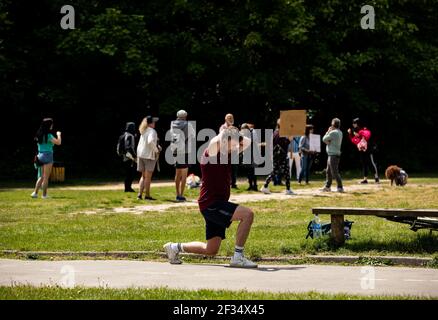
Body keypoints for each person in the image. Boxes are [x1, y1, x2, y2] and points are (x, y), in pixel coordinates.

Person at [163, 127, 258, 268]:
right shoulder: (211, 153)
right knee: (248, 215)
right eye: (233, 144)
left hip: (213, 204)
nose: (236, 148)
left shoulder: (228, 153)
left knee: (211, 250)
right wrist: (225, 133)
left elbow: (248, 142)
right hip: (212, 204)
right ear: (224, 141)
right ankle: (238, 257)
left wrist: (236, 136)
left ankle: (174, 247)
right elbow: (216, 141)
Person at [260, 119, 295, 195]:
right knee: (282, 171)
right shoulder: (280, 133)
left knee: (282, 171)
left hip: (277, 155)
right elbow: (284, 144)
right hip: (281, 155)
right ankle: (287, 189)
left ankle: (266, 187)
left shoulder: (275, 132)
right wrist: (289, 139)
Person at [31, 118, 62, 199]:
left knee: (40, 176)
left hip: (40, 156)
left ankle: (35, 193)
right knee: (46, 177)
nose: (52, 125)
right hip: (48, 156)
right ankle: (44, 195)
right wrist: (59, 134)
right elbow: (58, 142)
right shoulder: (49, 135)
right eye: (51, 124)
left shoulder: (38, 134)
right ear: (48, 125)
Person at [170, 109, 196, 202]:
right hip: (185, 151)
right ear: (185, 116)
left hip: (176, 150)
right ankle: (181, 195)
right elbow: (193, 135)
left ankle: (177, 194)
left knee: (177, 174)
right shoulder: (188, 124)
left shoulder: (172, 124)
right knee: (184, 174)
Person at [348, 118, 379, 184]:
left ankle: (376, 177)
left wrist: (359, 134)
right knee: (364, 164)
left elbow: (367, 135)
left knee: (371, 163)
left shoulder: (364, 129)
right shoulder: (355, 130)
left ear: (358, 123)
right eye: (353, 123)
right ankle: (365, 179)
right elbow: (354, 140)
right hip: (361, 149)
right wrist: (350, 134)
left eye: (354, 123)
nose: (353, 124)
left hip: (368, 150)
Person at [137, 116, 160, 200]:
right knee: (148, 177)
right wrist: (156, 150)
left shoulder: (143, 130)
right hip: (148, 156)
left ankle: (139, 194)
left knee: (143, 176)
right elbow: (150, 141)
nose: (154, 123)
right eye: (153, 122)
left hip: (140, 155)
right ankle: (147, 195)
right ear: (150, 123)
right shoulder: (152, 131)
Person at [321, 118, 344, 193]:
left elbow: (324, 139)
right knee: (328, 171)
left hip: (333, 155)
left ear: (333, 125)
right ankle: (328, 186)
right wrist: (329, 141)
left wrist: (328, 131)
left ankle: (340, 187)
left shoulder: (333, 132)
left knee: (334, 172)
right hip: (334, 154)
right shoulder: (340, 132)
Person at [219, 114, 238, 188]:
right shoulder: (222, 127)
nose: (231, 119)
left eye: (232, 118)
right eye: (229, 118)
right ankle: (225, 182)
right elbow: (221, 137)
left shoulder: (235, 128)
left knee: (234, 168)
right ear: (225, 119)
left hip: (234, 150)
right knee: (225, 167)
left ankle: (233, 183)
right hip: (225, 151)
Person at [117, 122, 137, 192]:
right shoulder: (130, 136)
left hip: (123, 156)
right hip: (129, 157)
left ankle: (127, 187)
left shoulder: (123, 135)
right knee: (130, 173)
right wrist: (134, 156)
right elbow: (129, 147)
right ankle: (128, 188)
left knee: (128, 173)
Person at [240, 123, 258, 191]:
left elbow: (254, 143)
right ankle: (250, 185)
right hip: (247, 154)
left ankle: (255, 186)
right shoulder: (243, 134)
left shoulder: (252, 133)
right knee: (248, 171)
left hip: (253, 153)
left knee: (253, 171)